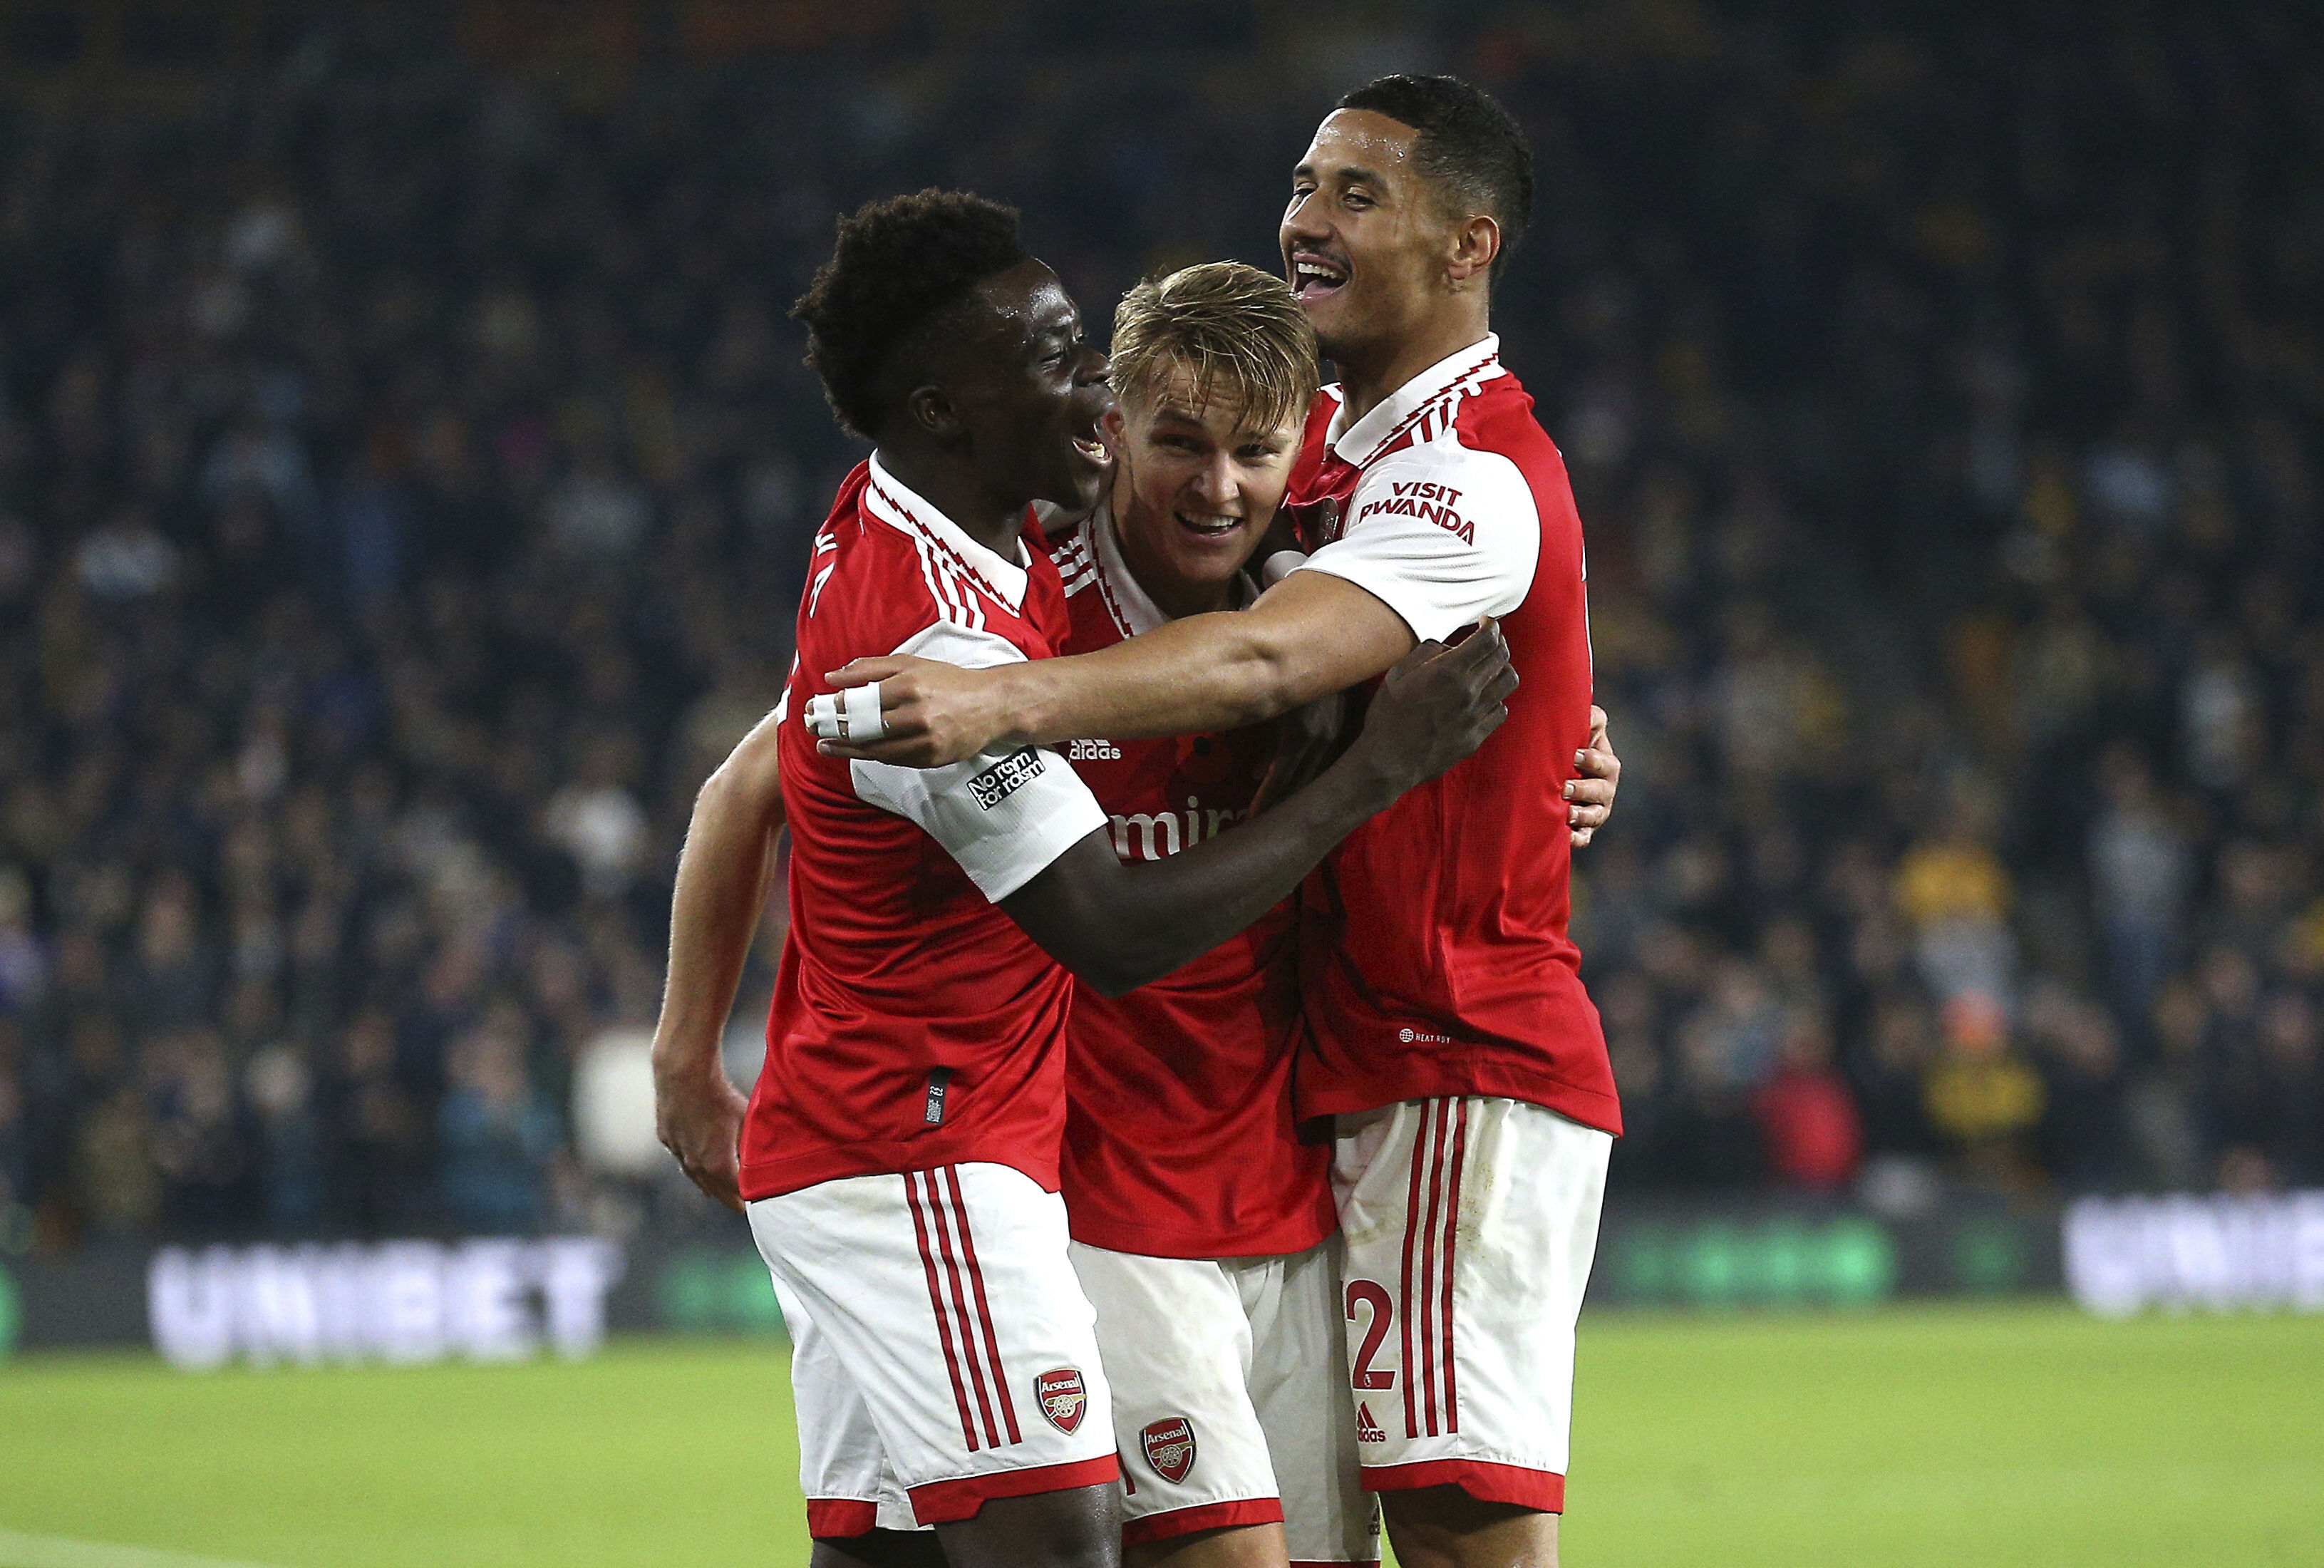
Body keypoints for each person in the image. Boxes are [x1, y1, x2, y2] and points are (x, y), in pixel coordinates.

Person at [656, 257, 1626, 1568]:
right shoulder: (1022, 601)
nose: (1214, 487)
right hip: (1096, 1202)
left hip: (1285, 1192)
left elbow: (1480, 708)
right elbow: (747, 786)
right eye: (1177, 444)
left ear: (1302, 451)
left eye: (1252, 452)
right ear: (1109, 427)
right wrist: (683, 1057)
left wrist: (1564, 766)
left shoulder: (1334, 593)